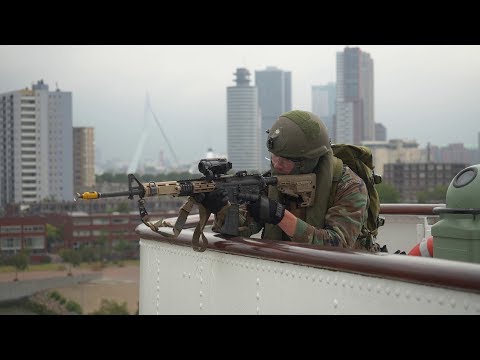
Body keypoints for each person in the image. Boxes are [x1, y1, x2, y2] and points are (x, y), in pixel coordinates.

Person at [201, 110, 376, 251]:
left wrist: (280, 216)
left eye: (285, 160)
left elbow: (339, 245)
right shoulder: (272, 180)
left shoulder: (349, 186)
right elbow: (244, 228)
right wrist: (222, 207)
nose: (276, 164)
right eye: (273, 157)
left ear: (308, 161)